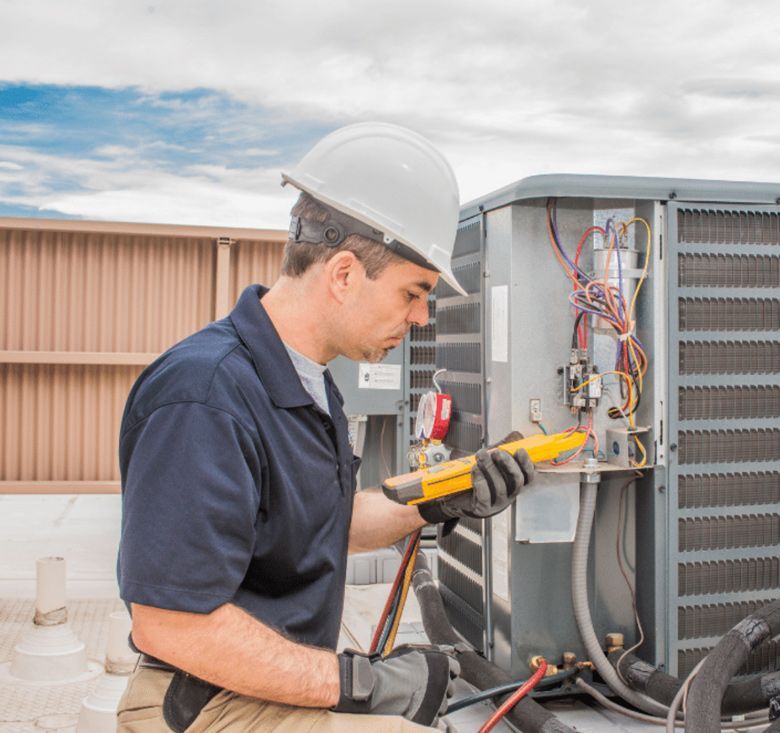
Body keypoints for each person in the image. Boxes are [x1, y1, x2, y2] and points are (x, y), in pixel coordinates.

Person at [115, 123, 536, 732]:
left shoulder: (307, 382)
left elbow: (324, 527)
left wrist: (446, 495)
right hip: (203, 702)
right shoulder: (204, 397)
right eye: (413, 293)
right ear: (343, 274)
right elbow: (170, 621)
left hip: (262, 684)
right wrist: (360, 682)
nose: (421, 318)